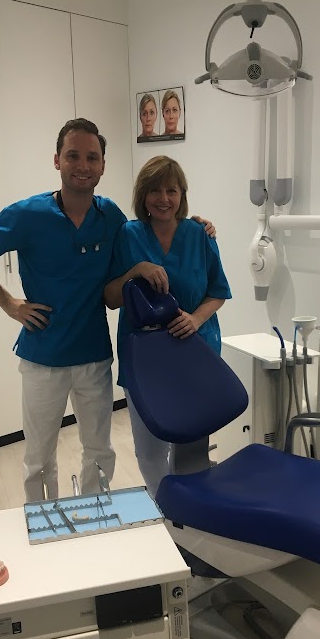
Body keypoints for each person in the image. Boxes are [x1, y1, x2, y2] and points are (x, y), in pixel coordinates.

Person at [0, 119, 214, 503]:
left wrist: (196, 226)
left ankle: (96, 518)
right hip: (43, 356)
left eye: (92, 157)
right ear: (57, 160)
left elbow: (151, 229)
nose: (83, 165)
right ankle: (41, 518)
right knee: (38, 457)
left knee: (99, 451)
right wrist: (9, 303)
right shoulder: (27, 215)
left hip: (93, 355)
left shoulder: (110, 217)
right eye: (73, 155)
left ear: (103, 165)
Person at [104, 156, 231, 497]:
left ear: (182, 195)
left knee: (192, 450)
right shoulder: (128, 235)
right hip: (144, 360)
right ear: (142, 195)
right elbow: (111, 298)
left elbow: (218, 292)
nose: (163, 199)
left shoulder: (200, 234)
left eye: (172, 191)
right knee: (149, 451)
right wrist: (136, 271)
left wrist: (196, 318)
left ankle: (193, 516)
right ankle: (168, 512)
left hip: (195, 352)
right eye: (155, 190)